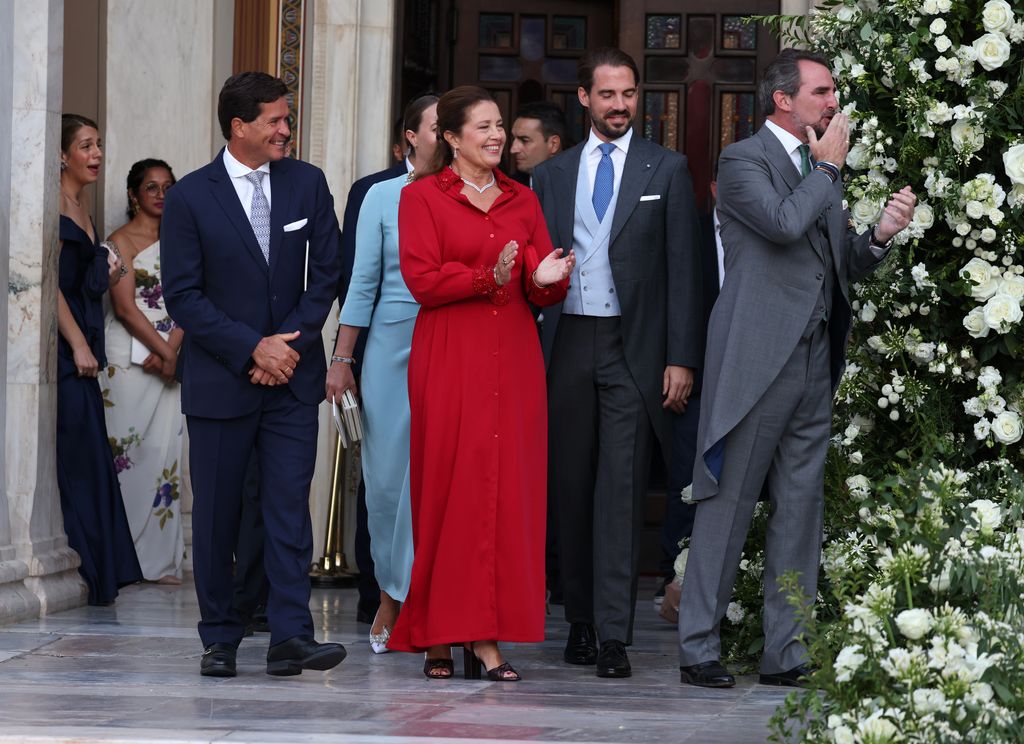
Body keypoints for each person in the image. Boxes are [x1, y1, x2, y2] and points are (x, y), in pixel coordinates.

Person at [677, 49, 916, 688]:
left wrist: (879, 237)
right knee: (727, 504)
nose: (833, 102)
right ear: (784, 99)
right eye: (823, 91)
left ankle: (787, 652)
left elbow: (836, 263)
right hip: (759, 356)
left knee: (800, 509)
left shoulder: (820, 170)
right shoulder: (743, 160)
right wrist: (829, 170)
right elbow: (784, 226)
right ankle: (697, 647)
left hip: (814, 357)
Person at [160, 71, 345, 678]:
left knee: (288, 506)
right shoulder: (190, 196)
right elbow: (184, 298)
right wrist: (251, 349)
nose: (286, 129)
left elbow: (327, 276)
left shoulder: (307, 183)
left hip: (292, 379)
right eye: (275, 120)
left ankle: (290, 635)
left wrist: (286, 346)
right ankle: (219, 637)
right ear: (239, 126)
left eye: (287, 119)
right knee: (215, 515)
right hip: (221, 380)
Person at [387, 86, 575, 681]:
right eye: (485, 127)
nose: (497, 136)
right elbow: (421, 279)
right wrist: (484, 277)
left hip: (513, 357)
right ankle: (442, 635)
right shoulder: (421, 198)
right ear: (451, 137)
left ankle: (483, 636)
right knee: (450, 490)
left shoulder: (523, 198)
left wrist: (547, 278)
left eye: (501, 127)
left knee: (503, 496)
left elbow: (539, 282)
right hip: (450, 356)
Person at [532, 47, 703, 679]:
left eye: (628, 94)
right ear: (584, 100)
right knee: (571, 486)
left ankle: (613, 635)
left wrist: (682, 356)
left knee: (623, 489)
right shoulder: (551, 174)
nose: (620, 105)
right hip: (568, 342)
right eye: (607, 95)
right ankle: (578, 619)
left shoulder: (669, 167)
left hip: (634, 351)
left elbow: (686, 270)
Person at [326, 94, 439, 653]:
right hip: (390, 350)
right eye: (439, 127)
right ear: (409, 138)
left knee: (443, 481)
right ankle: (393, 596)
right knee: (390, 483)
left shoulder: (479, 195)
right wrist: (343, 360)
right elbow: (360, 284)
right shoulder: (380, 196)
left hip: (453, 348)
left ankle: (440, 606)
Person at [56, 113, 143, 605]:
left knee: (93, 459)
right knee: (80, 462)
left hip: (84, 354)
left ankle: (99, 574)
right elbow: (49, 289)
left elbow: (82, 284)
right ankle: (89, 570)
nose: (96, 154)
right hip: (70, 356)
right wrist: (79, 344)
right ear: (62, 155)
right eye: (86, 146)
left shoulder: (83, 210)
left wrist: (105, 271)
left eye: (99, 145)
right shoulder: (55, 204)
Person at [101, 158, 185, 586]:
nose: (161, 195)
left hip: (169, 357)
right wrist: (162, 351)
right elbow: (125, 308)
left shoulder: (184, 239)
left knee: (162, 458)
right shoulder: (118, 242)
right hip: (128, 360)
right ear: (134, 194)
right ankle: (124, 558)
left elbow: (195, 297)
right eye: (151, 187)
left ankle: (159, 562)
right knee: (125, 458)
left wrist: (173, 351)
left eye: (168, 187)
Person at [510, 101, 568, 187]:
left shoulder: (579, 186)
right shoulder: (509, 188)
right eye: (514, 139)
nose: (513, 149)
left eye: (524, 140)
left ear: (553, 144)